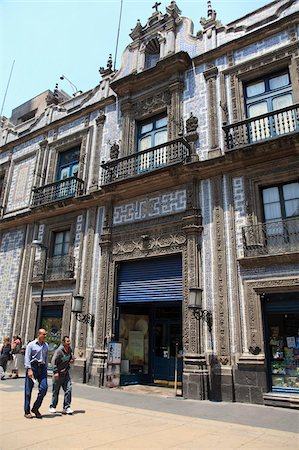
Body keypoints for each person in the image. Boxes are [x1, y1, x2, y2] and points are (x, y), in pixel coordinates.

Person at [24, 329, 48, 419]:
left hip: (42, 368)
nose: (45, 336)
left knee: (44, 388)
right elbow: (27, 357)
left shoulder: (46, 346)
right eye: (44, 334)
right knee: (28, 391)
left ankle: (35, 408)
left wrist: (45, 368)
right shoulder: (31, 345)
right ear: (39, 334)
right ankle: (27, 411)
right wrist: (29, 369)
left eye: (46, 334)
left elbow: (45, 358)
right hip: (33, 367)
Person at [49, 335, 74, 415]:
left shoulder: (69, 349)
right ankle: (52, 406)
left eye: (69, 341)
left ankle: (66, 407)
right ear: (63, 342)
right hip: (58, 374)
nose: (69, 343)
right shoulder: (59, 351)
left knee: (68, 389)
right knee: (56, 391)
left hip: (65, 373)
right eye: (67, 341)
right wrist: (55, 372)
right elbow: (53, 361)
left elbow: (71, 357)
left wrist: (72, 360)